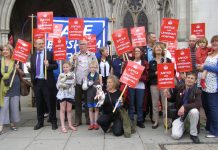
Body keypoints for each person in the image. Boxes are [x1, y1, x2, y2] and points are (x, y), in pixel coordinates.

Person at [28, 38, 58, 130]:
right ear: (35, 45)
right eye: (39, 44)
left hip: (47, 82)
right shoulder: (32, 56)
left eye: (42, 43)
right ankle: (40, 122)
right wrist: (30, 69)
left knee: (50, 102)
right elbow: (33, 69)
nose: (41, 45)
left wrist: (48, 65)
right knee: (39, 103)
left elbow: (56, 65)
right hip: (37, 82)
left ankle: (53, 121)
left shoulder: (49, 54)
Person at [164, 71, 202, 144]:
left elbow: (198, 104)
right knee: (175, 136)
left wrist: (184, 106)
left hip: (189, 115)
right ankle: (184, 127)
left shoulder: (197, 91)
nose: (189, 79)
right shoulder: (179, 87)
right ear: (185, 79)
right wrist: (168, 96)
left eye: (192, 78)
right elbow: (172, 99)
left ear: (195, 81)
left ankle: (193, 134)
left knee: (195, 111)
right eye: (188, 77)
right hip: (179, 116)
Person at [71, 40, 98, 127]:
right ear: (78, 46)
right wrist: (73, 61)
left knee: (88, 101)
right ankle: (78, 120)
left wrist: (94, 80)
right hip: (78, 81)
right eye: (80, 44)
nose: (82, 46)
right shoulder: (75, 55)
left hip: (88, 82)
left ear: (87, 45)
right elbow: (70, 68)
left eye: (84, 44)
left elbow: (96, 67)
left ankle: (88, 119)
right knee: (77, 101)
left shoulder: (92, 55)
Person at [0, 44, 23, 134]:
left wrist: (18, 69)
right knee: (4, 106)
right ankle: (1, 124)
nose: (5, 51)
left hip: (14, 85)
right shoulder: (0, 60)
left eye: (7, 50)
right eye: (4, 50)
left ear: (11, 51)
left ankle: (12, 123)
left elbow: (22, 73)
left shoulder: (16, 61)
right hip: (3, 86)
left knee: (14, 105)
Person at [149, 42, 171, 129]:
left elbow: (173, 72)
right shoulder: (151, 62)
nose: (158, 48)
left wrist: (166, 66)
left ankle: (166, 121)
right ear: (154, 50)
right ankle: (156, 121)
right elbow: (149, 75)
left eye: (160, 47)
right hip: (154, 85)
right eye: (156, 47)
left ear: (162, 50)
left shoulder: (167, 60)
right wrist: (156, 72)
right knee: (155, 104)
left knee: (165, 103)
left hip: (164, 84)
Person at [126, 47, 149, 128]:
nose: (136, 52)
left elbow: (147, 76)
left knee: (140, 104)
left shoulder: (144, 63)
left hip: (140, 86)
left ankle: (140, 120)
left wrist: (138, 78)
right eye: (135, 51)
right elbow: (124, 73)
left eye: (138, 51)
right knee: (131, 104)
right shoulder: (129, 62)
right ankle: (131, 120)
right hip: (131, 85)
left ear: (141, 53)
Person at [201, 35, 218, 138]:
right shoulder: (210, 54)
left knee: (213, 108)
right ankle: (209, 126)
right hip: (204, 85)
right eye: (213, 41)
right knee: (206, 107)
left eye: (217, 41)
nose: (215, 43)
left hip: (213, 86)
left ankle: (215, 131)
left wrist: (205, 66)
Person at [56, 61, 77, 133]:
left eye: (67, 67)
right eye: (64, 67)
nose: (65, 68)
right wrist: (60, 85)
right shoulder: (60, 75)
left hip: (70, 94)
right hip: (62, 94)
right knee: (62, 110)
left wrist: (64, 82)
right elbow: (57, 85)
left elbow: (72, 82)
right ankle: (63, 126)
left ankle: (70, 124)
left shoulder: (72, 75)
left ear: (70, 67)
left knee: (69, 110)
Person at [83, 61, 102, 130]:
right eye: (91, 67)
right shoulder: (86, 76)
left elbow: (101, 85)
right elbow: (84, 87)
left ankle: (96, 123)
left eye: (94, 67)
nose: (92, 68)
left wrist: (99, 92)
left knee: (96, 109)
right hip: (89, 94)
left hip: (96, 95)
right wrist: (87, 84)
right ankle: (91, 123)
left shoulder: (99, 75)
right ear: (89, 68)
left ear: (96, 68)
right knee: (90, 109)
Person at [143, 32, 157, 123]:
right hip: (145, 76)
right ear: (148, 38)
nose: (155, 39)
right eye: (153, 37)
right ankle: (143, 115)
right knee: (145, 97)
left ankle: (153, 116)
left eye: (155, 37)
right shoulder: (143, 49)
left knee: (153, 97)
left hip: (154, 76)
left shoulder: (158, 49)